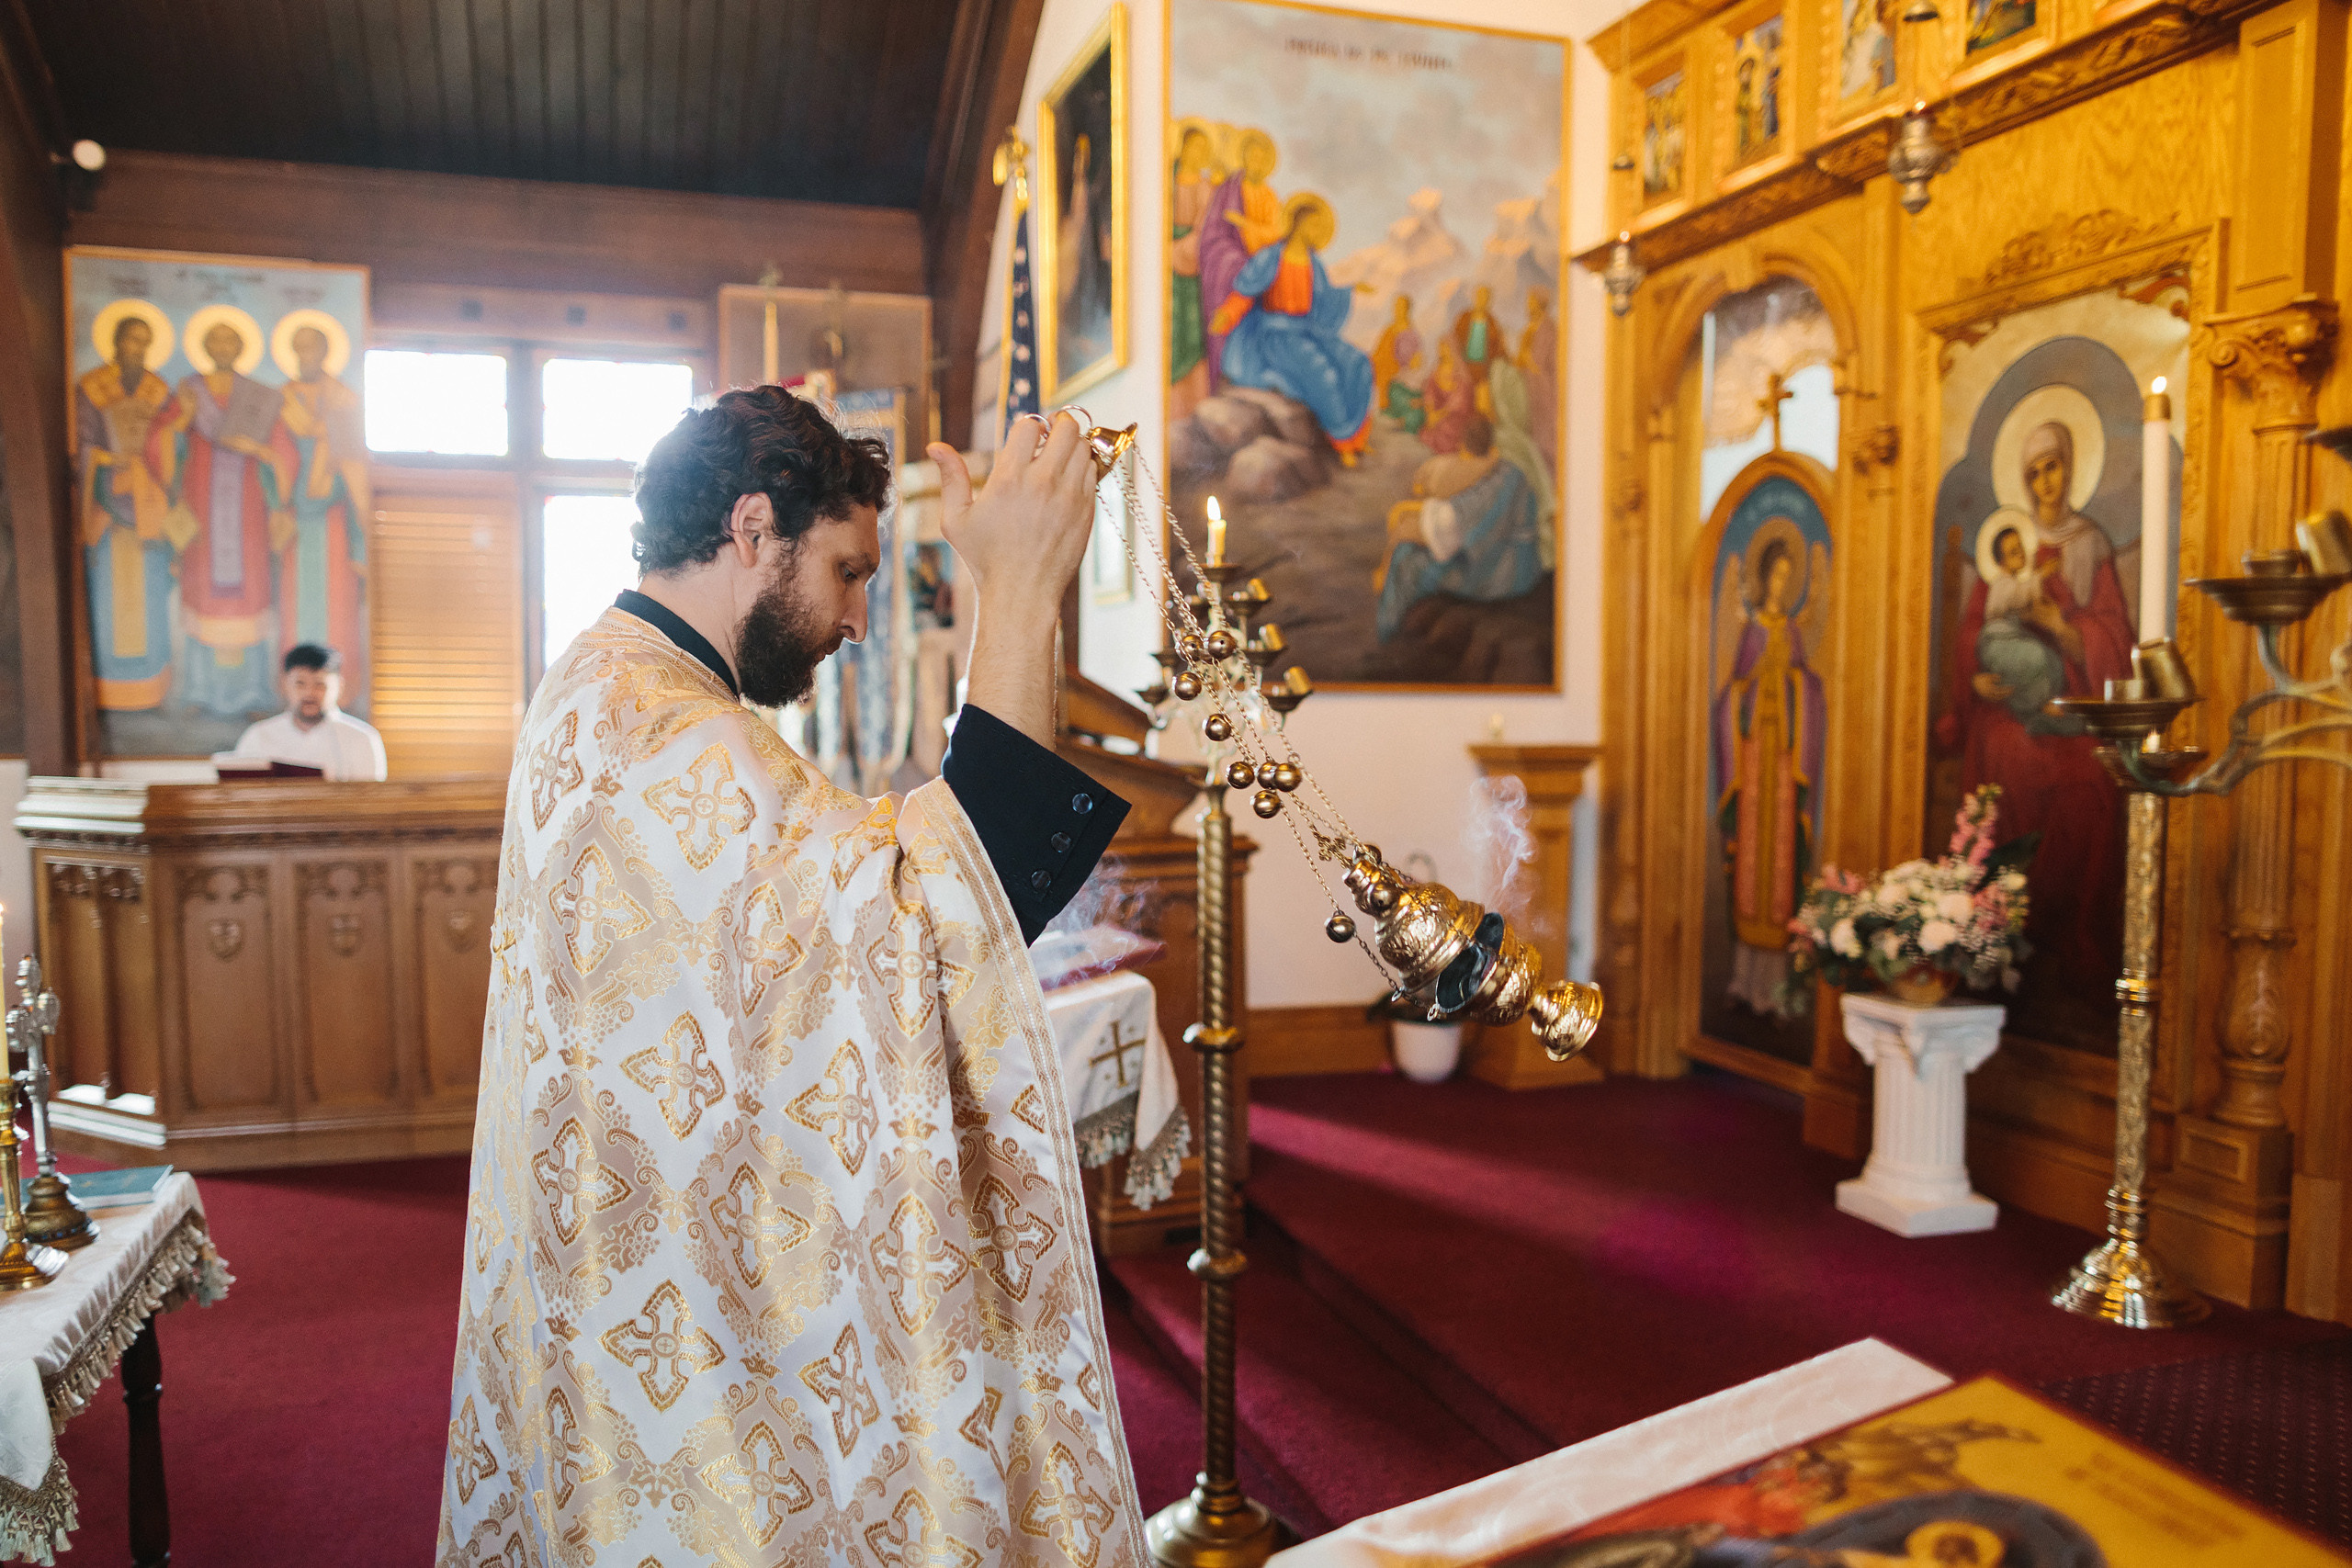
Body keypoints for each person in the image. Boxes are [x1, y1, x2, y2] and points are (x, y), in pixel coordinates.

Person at [438, 389, 1147, 1568]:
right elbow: (940, 923)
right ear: (755, 527)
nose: (860, 618)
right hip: (668, 1300)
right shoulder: (677, 739)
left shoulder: (595, 687)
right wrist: (1020, 589)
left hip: (614, 1265)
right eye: (849, 570)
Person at [146, 319, 291, 716]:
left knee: (250, 595)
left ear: (241, 346)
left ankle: (255, 693)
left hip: (248, 511)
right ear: (206, 347)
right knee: (203, 595)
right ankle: (198, 690)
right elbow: (159, 446)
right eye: (216, 339)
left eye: (231, 339)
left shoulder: (258, 397)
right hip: (202, 508)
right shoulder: (189, 392)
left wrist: (258, 450)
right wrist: (180, 421)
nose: (223, 346)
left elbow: (282, 452)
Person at [1713, 540, 1826, 1014]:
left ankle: (1774, 993)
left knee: (1780, 868)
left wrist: (1796, 682)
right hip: (1755, 755)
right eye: (1775, 576)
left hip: (1784, 762)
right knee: (1753, 863)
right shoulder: (1753, 631)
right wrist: (1759, 677)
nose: (1781, 585)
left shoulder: (1793, 631)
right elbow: (1734, 692)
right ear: (1763, 580)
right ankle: (1744, 981)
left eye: (1787, 577)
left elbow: (1810, 687)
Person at [1206, 192, 1376, 464]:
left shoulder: (1313, 261)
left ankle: (1357, 437)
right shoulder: (1272, 257)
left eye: (1320, 227)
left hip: (1309, 331)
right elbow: (1246, 289)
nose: (1317, 231)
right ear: (1298, 222)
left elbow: (1325, 298)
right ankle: (1342, 441)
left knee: (1357, 362)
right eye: (1314, 224)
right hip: (1277, 337)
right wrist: (1226, 314)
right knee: (1322, 372)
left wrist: (1350, 291)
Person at [74, 312, 176, 711]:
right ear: (115, 343)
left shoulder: (159, 390)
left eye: (144, 341)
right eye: (131, 340)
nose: (137, 348)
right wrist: (102, 457)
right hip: (107, 509)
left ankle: (151, 686)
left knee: (149, 596)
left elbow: (173, 446)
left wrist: (159, 455)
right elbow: (81, 441)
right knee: (110, 603)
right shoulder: (92, 387)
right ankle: (111, 691)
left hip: (148, 505)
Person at [275, 323, 371, 703]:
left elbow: (354, 463)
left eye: (313, 349)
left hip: (333, 518)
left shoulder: (343, 399)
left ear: (326, 353)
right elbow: (273, 455)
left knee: (336, 596)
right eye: (299, 349)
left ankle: (344, 689)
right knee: (295, 597)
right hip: (296, 518)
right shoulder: (282, 400)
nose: (306, 357)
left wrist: (329, 452)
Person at [232, 644, 388, 780]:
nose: (309, 693)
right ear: (285, 684)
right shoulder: (257, 737)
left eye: (320, 685)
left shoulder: (362, 739)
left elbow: (371, 802)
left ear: (339, 687)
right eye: (300, 684)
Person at [1974, 522, 2070, 733]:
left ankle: (2047, 701)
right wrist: (2042, 575)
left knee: (2051, 658)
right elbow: (2019, 595)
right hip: (1997, 643)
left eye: (2020, 548)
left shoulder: (2013, 583)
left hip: (2011, 637)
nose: (2020, 554)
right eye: (2013, 552)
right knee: (2035, 656)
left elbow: (2022, 605)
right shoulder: (2002, 584)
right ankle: (2034, 706)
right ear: (2002, 561)